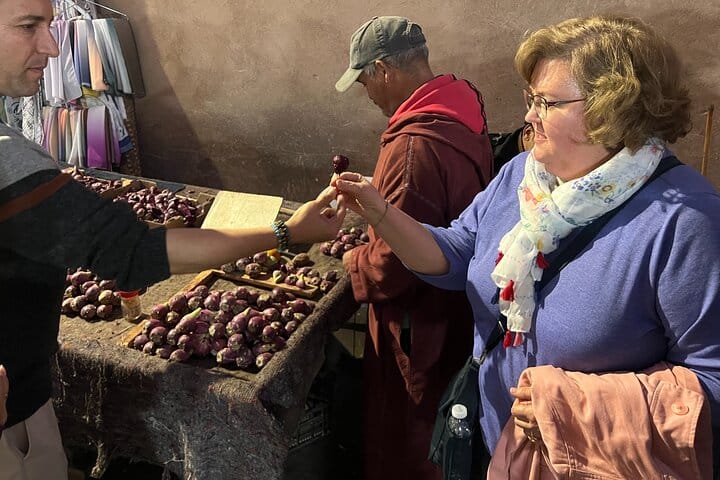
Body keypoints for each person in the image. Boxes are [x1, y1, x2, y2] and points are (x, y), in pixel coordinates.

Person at [334, 14, 720, 479]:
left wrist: (573, 407)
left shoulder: (686, 221)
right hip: (492, 447)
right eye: (530, 99)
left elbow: (711, 381)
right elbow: (458, 252)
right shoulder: (522, 175)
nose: (528, 117)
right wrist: (381, 213)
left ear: (613, 108)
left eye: (546, 103)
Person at [0, 0, 345, 478]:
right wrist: (288, 231)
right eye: (28, 26)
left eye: (51, 26)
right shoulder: (8, 161)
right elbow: (137, 253)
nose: (54, 48)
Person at [334, 15, 493, 480]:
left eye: (364, 80)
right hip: (457, 306)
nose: (366, 93)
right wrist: (378, 197)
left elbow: (394, 264)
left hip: (419, 327)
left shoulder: (412, 147)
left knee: (409, 438)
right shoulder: (459, 109)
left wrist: (354, 260)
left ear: (384, 70)